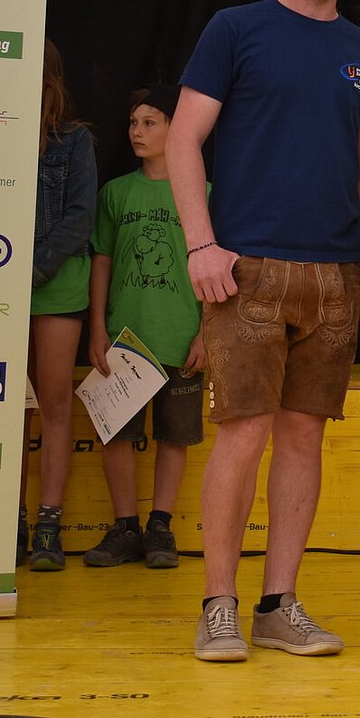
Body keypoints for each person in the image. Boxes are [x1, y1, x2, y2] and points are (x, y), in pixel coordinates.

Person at [169, 0, 360, 662]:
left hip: (335, 277)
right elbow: (182, 140)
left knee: (303, 439)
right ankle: (218, 606)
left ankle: (278, 605)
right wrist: (201, 245)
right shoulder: (236, 28)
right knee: (242, 437)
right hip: (245, 271)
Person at [83, 84, 207, 569]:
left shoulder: (205, 193)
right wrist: (96, 328)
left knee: (174, 437)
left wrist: (206, 333)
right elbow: (101, 262)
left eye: (150, 122)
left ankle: (160, 527)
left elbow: (219, 270)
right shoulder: (116, 192)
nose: (137, 131)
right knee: (117, 434)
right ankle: (124, 527)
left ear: (177, 128)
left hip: (181, 337)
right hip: (124, 341)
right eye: (133, 123)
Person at [24, 40, 97, 571]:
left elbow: (80, 216)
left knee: (53, 404)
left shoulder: (75, 139)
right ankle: (6, 521)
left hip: (57, 282)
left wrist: (34, 268)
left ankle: (48, 525)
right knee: (6, 406)